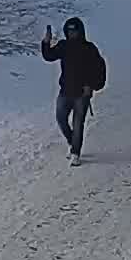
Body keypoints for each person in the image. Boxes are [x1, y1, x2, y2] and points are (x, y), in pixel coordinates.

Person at [41, 16, 108, 165]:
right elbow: (49, 56)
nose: (72, 34)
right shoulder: (64, 46)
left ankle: (75, 153)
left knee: (78, 123)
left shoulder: (89, 48)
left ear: (80, 31)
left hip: (82, 95)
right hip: (65, 91)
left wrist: (91, 85)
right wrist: (46, 42)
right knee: (60, 118)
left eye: (74, 31)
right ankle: (73, 142)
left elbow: (100, 69)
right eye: (69, 31)